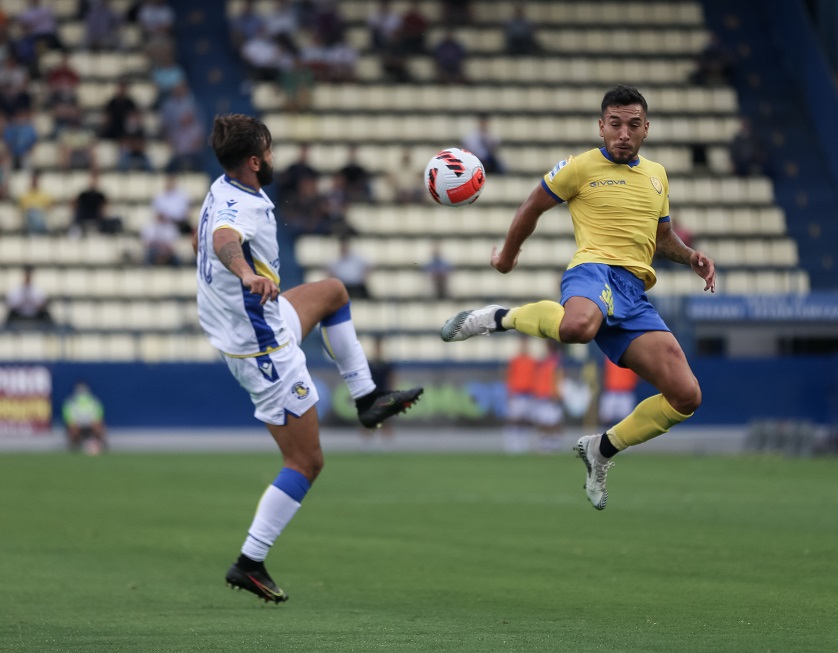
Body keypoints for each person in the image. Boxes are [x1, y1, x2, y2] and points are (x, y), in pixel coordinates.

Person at [440, 85, 716, 510]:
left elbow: (661, 237)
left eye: (634, 125)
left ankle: (601, 450)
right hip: (593, 271)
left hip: (633, 293)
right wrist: (507, 259)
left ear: (646, 129)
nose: (624, 133)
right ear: (601, 126)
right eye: (615, 124)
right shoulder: (579, 167)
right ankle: (498, 317)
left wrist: (690, 256)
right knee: (577, 327)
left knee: (686, 396)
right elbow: (532, 206)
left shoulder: (658, 175)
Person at [195, 114, 422, 603]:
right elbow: (223, 240)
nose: (274, 158)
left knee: (334, 292)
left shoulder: (225, 185)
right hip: (263, 351)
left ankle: (366, 399)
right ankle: (249, 560)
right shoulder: (239, 207)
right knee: (306, 461)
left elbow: (217, 233)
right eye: (271, 151)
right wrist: (245, 273)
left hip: (258, 322)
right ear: (255, 161)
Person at [503, 337, 536, 453]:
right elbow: (509, 377)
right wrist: (510, 392)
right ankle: (512, 443)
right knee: (514, 419)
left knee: (524, 420)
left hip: (528, 394)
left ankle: (523, 442)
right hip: (517, 393)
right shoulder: (515, 360)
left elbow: (534, 378)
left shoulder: (531, 361)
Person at [62, 381, 107, 454]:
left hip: (90, 424)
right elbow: (68, 418)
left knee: (99, 427)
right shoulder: (70, 403)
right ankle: (74, 446)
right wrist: (73, 424)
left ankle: (99, 444)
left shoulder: (94, 402)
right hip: (77, 425)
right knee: (73, 429)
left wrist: (94, 423)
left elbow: (99, 416)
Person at [599, 357, 639, 431]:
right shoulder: (609, 356)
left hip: (626, 391)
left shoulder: (632, 356)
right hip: (611, 390)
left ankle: (626, 436)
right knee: (606, 416)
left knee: (627, 419)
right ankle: (603, 437)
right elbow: (603, 371)